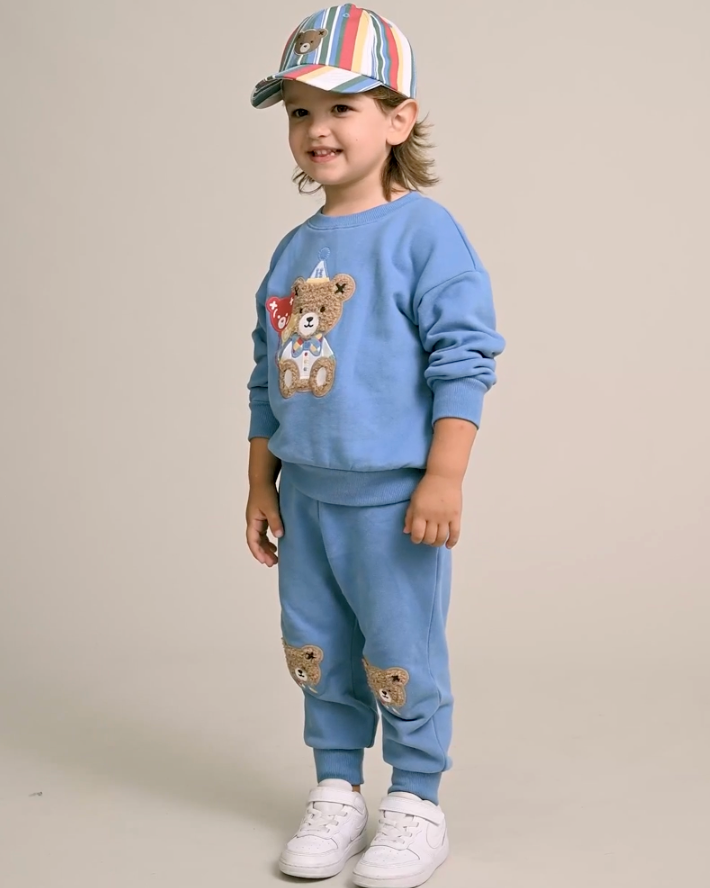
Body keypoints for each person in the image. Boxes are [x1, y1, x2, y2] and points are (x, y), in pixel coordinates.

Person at [245, 5, 505, 886]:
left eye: (343, 107)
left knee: (401, 647)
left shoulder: (424, 234)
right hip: (308, 496)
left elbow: (463, 358)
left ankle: (416, 802)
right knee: (314, 643)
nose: (318, 129)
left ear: (399, 120)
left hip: (393, 499)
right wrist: (260, 483)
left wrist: (444, 475)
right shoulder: (292, 252)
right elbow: (267, 376)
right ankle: (336, 789)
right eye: (299, 111)